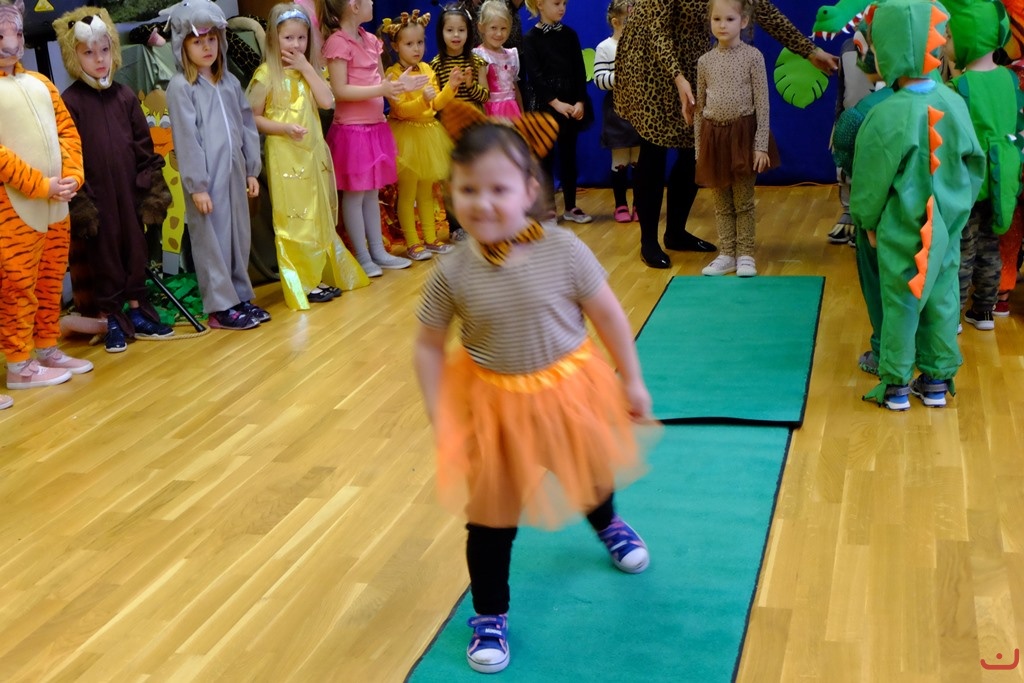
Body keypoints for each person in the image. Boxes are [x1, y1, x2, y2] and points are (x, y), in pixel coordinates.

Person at [413, 121, 653, 674]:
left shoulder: (563, 249)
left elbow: (608, 315)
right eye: (468, 189)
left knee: (587, 471)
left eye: (498, 189)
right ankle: (489, 613)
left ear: (528, 190)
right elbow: (427, 345)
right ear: (451, 192)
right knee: (490, 517)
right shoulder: (453, 270)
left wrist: (632, 378)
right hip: (493, 405)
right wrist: (437, 410)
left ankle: (608, 522)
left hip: (567, 390)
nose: (483, 203)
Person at [615, 0, 838, 269]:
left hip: (691, 54)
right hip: (650, 59)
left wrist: (809, 51)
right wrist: (678, 78)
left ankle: (675, 232)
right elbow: (657, 30)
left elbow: (760, 8)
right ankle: (649, 242)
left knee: (692, 148)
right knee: (653, 147)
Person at [850, 0, 984, 411]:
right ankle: (937, 381)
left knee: (901, 300)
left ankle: (896, 384)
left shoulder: (884, 115)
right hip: (944, 227)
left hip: (899, 229)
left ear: (886, 49)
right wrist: (957, 211)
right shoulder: (954, 103)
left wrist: (867, 222)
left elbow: (870, 179)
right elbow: (974, 163)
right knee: (942, 298)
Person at [53, 7, 176, 353]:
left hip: (130, 192)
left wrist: (151, 189)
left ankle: (138, 311)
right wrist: (81, 203)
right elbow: (68, 154)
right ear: (74, 56)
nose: (99, 59)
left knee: (135, 251)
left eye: (105, 50)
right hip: (96, 197)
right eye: (89, 53)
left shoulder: (125, 97)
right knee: (104, 258)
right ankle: (111, 319)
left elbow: (144, 146)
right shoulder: (70, 102)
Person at [0, 0, 93, 408]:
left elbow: (66, 131)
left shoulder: (41, 83)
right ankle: (19, 362)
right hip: (16, 209)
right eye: (2, 35)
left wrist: (72, 175)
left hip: (57, 205)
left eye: (17, 33)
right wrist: (39, 185)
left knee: (50, 279)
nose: (12, 44)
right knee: (17, 284)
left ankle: (45, 347)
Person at [247, 2, 369, 310]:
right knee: (294, 218)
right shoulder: (265, 75)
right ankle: (302, 279)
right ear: (274, 39)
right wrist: (283, 128)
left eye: (301, 38)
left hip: (311, 154)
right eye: (288, 38)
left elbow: (327, 101)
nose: (296, 45)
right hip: (285, 156)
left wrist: (306, 68)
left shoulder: (308, 73)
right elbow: (253, 118)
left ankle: (317, 274)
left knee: (316, 214)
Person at [163, 0, 269, 330]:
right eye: (197, 41)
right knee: (213, 241)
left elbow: (247, 125)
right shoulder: (182, 88)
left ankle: (239, 296)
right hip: (206, 180)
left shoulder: (230, 83)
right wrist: (197, 186)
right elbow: (187, 139)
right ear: (182, 45)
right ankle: (220, 307)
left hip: (235, 173)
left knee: (237, 235)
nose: (207, 47)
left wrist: (251, 169)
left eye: (211, 39)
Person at [319, 0, 423, 276]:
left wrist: (399, 86)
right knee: (356, 194)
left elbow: (381, 84)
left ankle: (378, 251)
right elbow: (340, 90)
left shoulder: (370, 40)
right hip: (352, 131)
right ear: (354, 6)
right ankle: (363, 256)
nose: (373, 2)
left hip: (375, 127)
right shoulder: (338, 42)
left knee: (371, 192)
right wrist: (382, 89)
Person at [946, 0, 1022, 332]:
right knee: (991, 247)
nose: (945, 41)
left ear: (967, 37)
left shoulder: (958, 88)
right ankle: (984, 311)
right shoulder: (1010, 79)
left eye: (950, 35)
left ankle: (953, 315)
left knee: (962, 249)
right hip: (1002, 179)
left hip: (969, 181)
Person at [695, 0, 780, 278]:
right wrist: (699, 149)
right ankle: (727, 254)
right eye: (717, 19)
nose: (722, 25)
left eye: (729, 19)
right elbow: (699, 109)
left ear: (743, 21)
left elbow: (763, 104)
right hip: (714, 138)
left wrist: (760, 145)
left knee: (743, 201)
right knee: (721, 202)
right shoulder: (704, 61)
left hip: (743, 136)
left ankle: (745, 254)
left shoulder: (753, 57)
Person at [379, 10, 459, 262]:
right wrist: (421, 101)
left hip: (428, 133)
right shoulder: (393, 74)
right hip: (406, 136)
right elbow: (400, 110)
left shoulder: (426, 68)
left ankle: (431, 239)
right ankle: (413, 243)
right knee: (408, 193)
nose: (417, 49)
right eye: (409, 44)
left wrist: (451, 87)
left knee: (427, 192)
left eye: (420, 42)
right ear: (396, 46)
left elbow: (435, 104)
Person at [521, 0, 593, 224]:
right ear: (540, 5)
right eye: (556, 3)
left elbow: (579, 70)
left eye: (564, 3)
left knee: (569, 156)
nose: (562, 8)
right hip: (546, 106)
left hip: (571, 104)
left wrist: (580, 100)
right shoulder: (530, 39)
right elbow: (536, 77)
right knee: (545, 158)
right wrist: (555, 102)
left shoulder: (570, 35)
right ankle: (549, 209)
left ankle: (571, 206)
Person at [429, 3, 489, 242]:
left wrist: (469, 85)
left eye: (461, 30)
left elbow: (485, 96)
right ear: (441, 33)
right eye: (450, 30)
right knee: (452, 179)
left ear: (469, 32)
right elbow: (436, 103)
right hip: (449, 130)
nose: (456, 35)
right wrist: (450, 87)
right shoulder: (435, 64)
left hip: (473, 128)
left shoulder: (477, 62)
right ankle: (456, 226)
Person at [594, 0, 640, 224]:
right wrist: (622, 77)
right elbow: (599, 79)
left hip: (640, 110)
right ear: (616, 22)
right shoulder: (605, 47)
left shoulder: (641, 47)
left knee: (639, 159)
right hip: (616, 110)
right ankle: (621, 204)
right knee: (620, 158)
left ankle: (640, 204)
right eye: (631, 21)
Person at [472, 0, 523, 118]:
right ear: (481, 27)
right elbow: (481, 94)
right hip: (491, 113)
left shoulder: (511, 55)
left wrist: (522, 114)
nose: (499, 33)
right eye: (493, 28)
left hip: (513, 112)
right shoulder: (480, 55)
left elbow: (515, 89)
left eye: (503, 28)